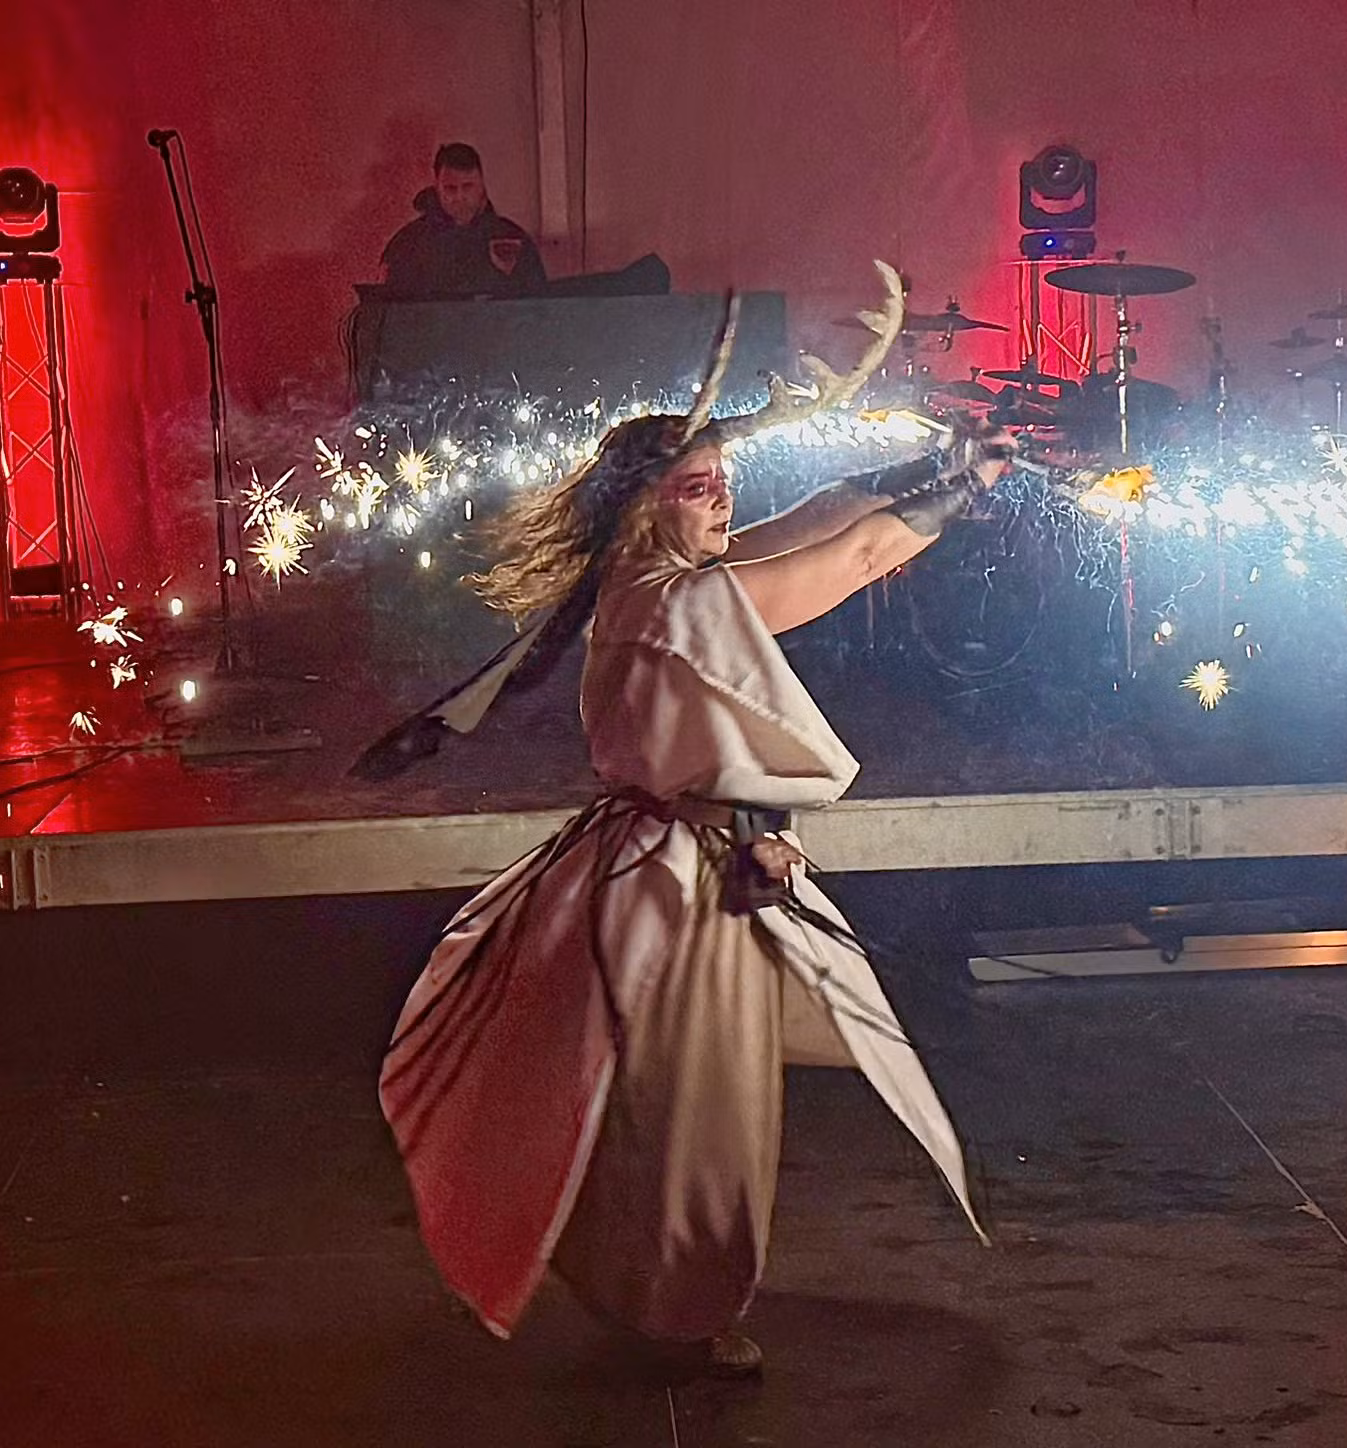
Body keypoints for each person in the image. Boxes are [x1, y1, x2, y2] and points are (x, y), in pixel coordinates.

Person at [361, 280, 1008, 1377]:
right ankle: (675, 1309)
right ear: (646, 506)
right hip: (677, 886)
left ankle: (656, 1286)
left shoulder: (659, 575)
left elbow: (811, 524)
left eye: (722, 485)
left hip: (676, 867)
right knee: (697, 1107)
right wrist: (964, 489)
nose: (722, 504)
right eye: (700, 489)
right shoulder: (672, 600)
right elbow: (842, 563)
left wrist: (929, 471)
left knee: (683, 1099)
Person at [380, 142, 547, 298]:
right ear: (437, 188)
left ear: (482, 185)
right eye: (450, 188)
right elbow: (387, 309)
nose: (459, 197)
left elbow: (538, 306)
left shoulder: (511, 240)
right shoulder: (409, 244)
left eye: (468, 186)